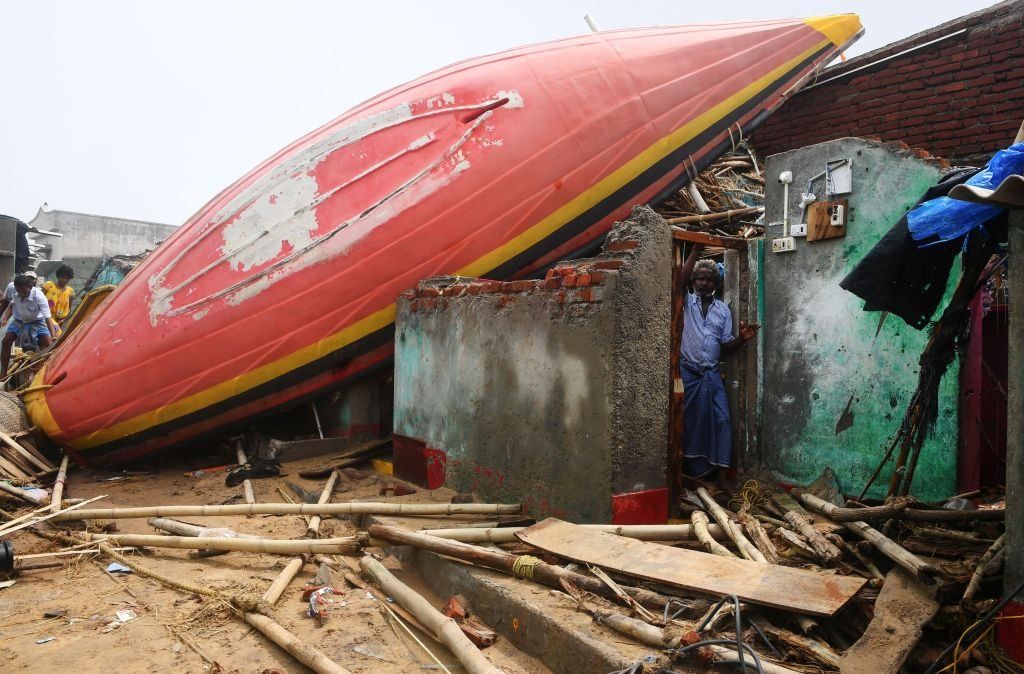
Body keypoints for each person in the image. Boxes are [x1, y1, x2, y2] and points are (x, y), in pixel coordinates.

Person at [678, 243, 758, 486]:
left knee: (722, 420)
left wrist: (741, 340)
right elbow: (678, 283)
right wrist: (694, 252)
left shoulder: (722, 310)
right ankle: (692, 474)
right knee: (689, 422)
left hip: (711, 376)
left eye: (710, 280)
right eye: (700, 279)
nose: (704, 283)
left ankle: (722, 476)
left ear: (717, 284)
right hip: (689, 374)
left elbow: (724, 346)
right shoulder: (685, 303)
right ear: (693, 282)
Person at [0, 274, 56, 378]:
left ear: (30, 287)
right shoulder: (13, 288)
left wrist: (53, 335)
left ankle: (49, 373)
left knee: (50, 345)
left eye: (24, 291)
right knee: (6, 341)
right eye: (19, 291)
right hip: (19, 321)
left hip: (37, 322)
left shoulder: (39, 295)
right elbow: (11, 306)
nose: (21, 294)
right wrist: (5, 319)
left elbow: (47, 317)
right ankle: (3, 372)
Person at [41, 264, 75, 337]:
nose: (64, 280)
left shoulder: (70, 291)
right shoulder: (49, 285)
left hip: (61, 321)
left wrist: (63, 321)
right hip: (46, 318)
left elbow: (69, 308)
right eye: (62, 277)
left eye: (67, 278)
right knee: (57, 336)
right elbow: (38, 301)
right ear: (58, 276)